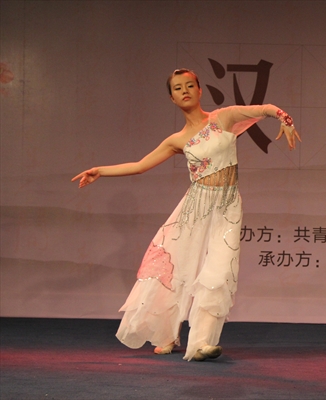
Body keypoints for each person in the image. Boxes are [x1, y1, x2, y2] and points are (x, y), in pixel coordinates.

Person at [72, 68, 300, 361]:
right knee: (177, 269)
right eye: (178, 88)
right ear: (172, 98)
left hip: (228, 207)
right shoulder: (176, 140)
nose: (185, 91)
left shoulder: (222, 118)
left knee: (219, 272)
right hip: (194, 209)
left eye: (190, 85)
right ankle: (165, 334)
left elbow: (264, 109)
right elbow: (140, 166)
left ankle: (201, 343)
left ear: (199, 90)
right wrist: (100, 171)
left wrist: (284, 119)